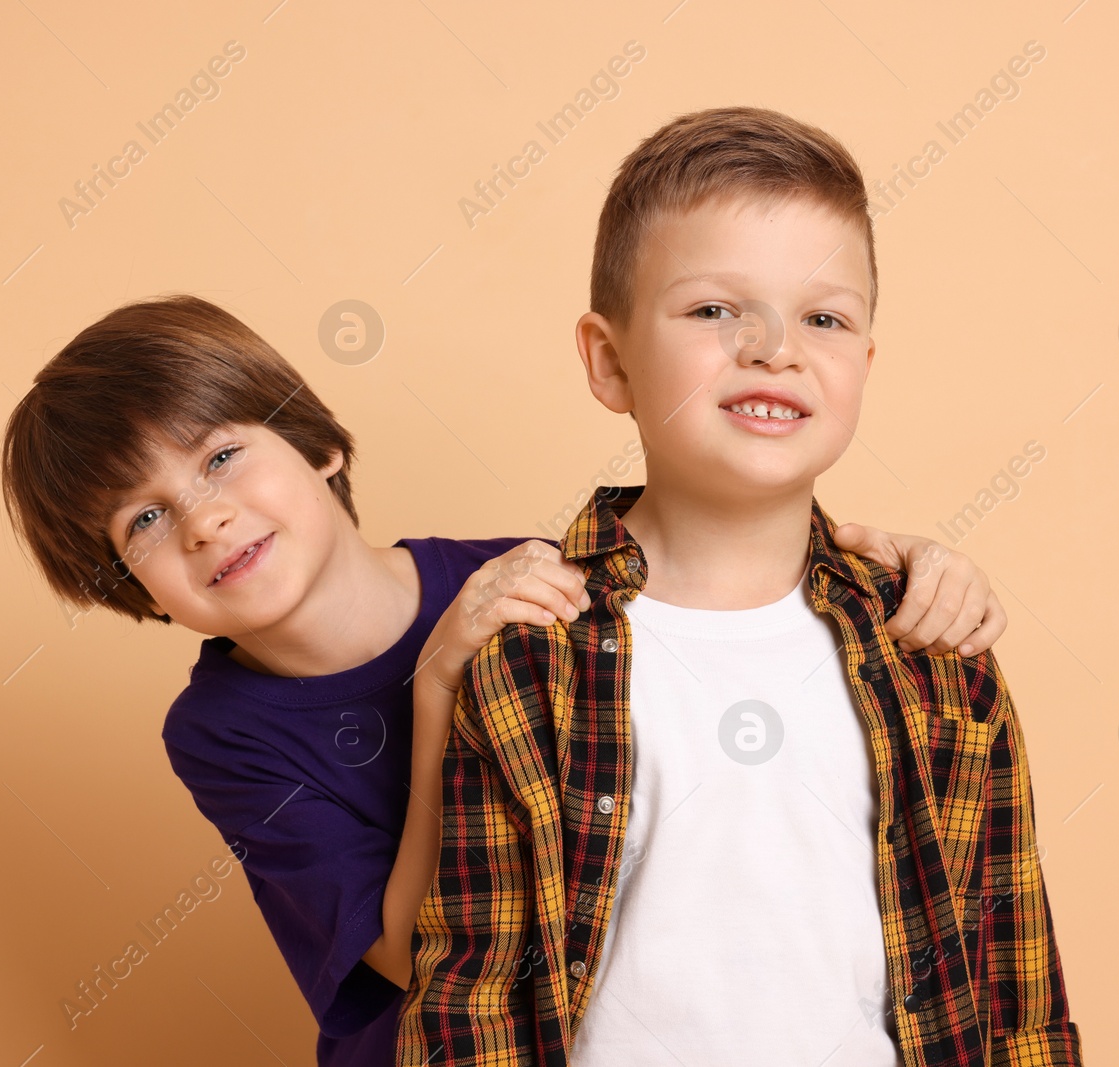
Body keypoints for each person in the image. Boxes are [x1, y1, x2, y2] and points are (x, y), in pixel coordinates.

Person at [0, 294, 1015, 1067]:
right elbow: (403, 956)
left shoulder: (530, 576)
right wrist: (438, 687)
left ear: (319, 445)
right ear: (130, 586)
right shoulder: (221, 730)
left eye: (221, 455)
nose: (203, 519)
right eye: (142, 519)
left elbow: (741, 620)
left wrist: (909, 570)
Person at [397, 106, 1083, 1066]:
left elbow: (1017, 990)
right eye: (716, 309)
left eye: (824, 317)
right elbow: (473, 987)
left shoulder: (933, 646)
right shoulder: (530, 649)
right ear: (610, 360)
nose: (774, 347)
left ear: (864, 365)